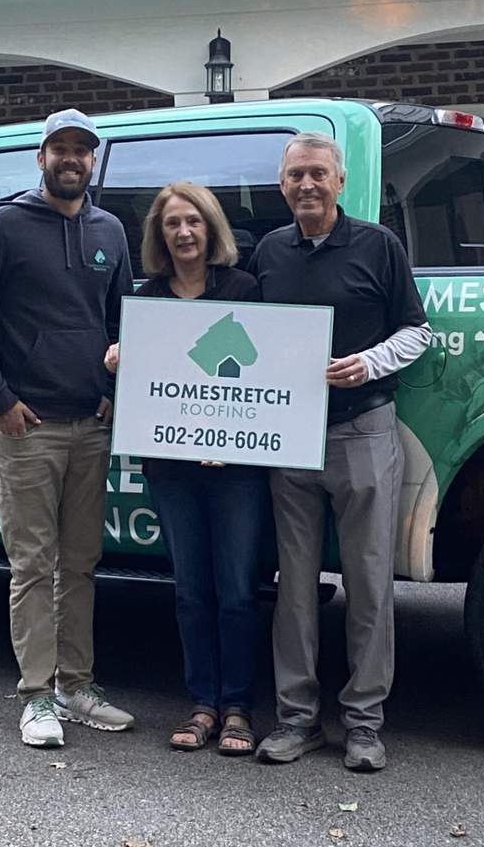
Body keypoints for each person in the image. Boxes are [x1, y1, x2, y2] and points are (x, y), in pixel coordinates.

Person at [0, 108, 135, 748]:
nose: (71, 159)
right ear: (42, 157)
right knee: (32, 564)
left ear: (93, 161)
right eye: (60, 148)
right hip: (29, 429)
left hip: (91, 425)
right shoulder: (3, 227)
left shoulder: (110, 229)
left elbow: (123, 325)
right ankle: (35, 698)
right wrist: (0, 401)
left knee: (80, 563)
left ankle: (75, 687)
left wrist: (112, 391)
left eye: (82, 150)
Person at [249, 132, 432, 772]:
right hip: (289, 437)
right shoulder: (270, 252)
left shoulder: (379, 245)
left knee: (370, 584)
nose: (306, 185)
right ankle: (296, 720)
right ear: (282, 185)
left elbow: (418, 331)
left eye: (318, 174)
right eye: (295, 175)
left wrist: (369, 362)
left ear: (340, 182)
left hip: (363, 428)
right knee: (294, 590)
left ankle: (364, 724)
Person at [104, 182, 267, 755]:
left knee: (239, 590)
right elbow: (144, 391)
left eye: (194, 221)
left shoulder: (245, 291)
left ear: (211, 227)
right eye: (172, 223)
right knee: (191, 590)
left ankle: (239, 708)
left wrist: (231, 437)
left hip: (237, 467)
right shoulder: (146, 303)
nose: (184, 232)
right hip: (172, 467)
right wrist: (119, 360)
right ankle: (201, 704)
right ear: (159, 234)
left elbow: (266, 375)